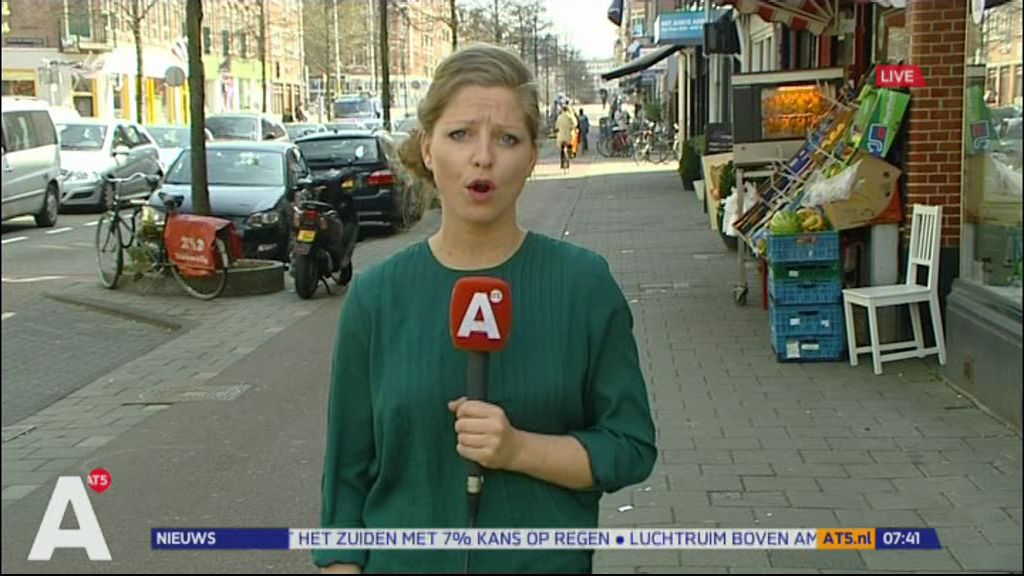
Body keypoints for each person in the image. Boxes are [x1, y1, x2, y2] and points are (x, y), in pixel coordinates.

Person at [315, 43, 656, 574]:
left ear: (533, 155)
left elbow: (629, 446)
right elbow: (345, 481)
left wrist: (519, 450)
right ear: (428, 149)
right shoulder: (377, 297)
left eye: (507, 138)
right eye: (460, 134)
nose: (482, 157)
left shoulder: (583, 286)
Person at [556, 104, 577, 170]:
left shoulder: (559, 117)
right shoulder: (570, 116)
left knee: (562, 149)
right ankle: (570, 155)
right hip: (568, 134)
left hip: (561, 135)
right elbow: (575, 124)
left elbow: (556, 126)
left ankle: (562, 163)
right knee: (570, 145)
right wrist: (571, 127)